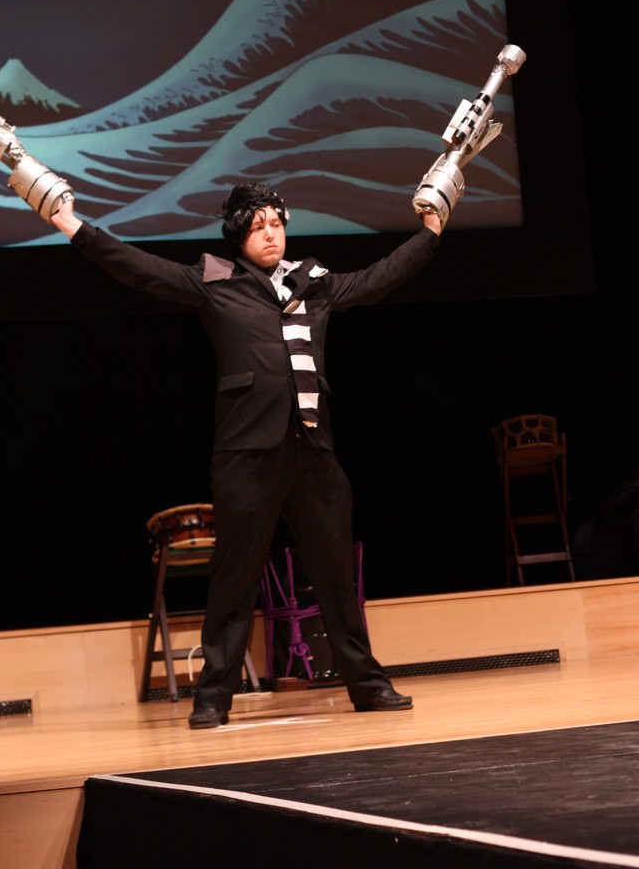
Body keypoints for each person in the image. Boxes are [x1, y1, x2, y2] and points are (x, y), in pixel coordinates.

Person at [51, 184, 441, 728]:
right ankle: (213, 696)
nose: (270, 234)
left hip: (313, 450)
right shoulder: (217, 281)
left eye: (276, 224)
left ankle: (368, 685)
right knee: (234, 578)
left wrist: (430, 234)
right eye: (258, 227)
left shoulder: (313, 283)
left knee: (335, 575)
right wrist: (73, 226)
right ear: (239, 236)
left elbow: (379, 278)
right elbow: (141, 270)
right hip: (247, 454)